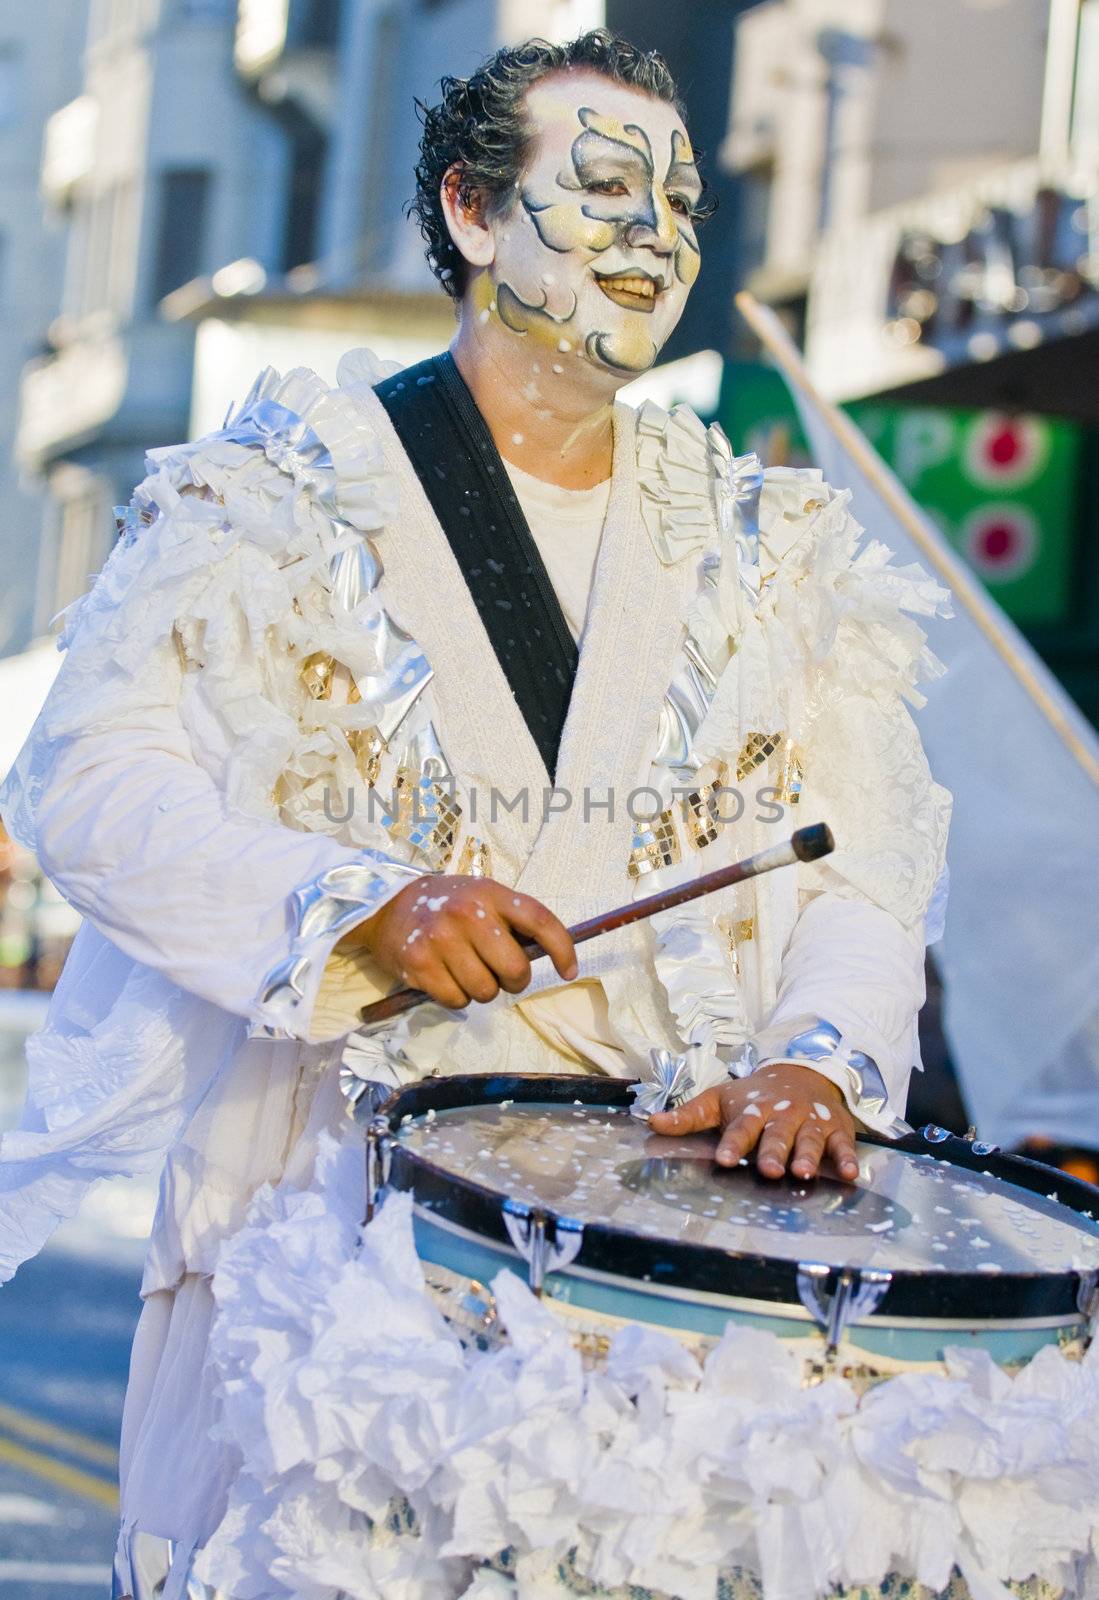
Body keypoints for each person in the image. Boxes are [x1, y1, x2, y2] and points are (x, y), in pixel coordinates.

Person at [0, 29, 950, 1598]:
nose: (656, 235)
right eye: (603, 188)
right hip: (334, 1225)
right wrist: (358, 907)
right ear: (471, 209)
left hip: (664, 1257)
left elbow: (872, 859)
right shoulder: (268, 497)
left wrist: (818, 1058)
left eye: (683, 202)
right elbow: (88, 777)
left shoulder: (780, 548)